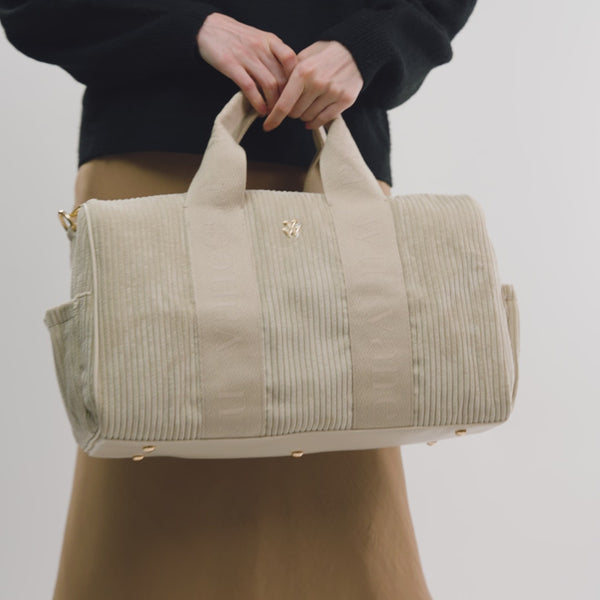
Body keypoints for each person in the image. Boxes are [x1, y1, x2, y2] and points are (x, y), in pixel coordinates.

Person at [1, 2, 478, 598]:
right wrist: (188, 25)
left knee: (344, 460)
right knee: (144, 442)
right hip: (154, 166)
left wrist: (366, 44)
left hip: (327, 152)